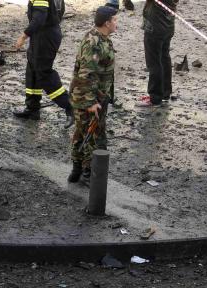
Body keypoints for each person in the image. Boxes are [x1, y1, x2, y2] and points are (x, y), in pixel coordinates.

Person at [68, 5, 117, 185]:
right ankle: (88, 175)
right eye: (115, 20)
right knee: (94, 137)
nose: (116, 23)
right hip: (87, 97)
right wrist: (90, 102)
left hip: (96, 96)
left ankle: (77, 171)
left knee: (82, 133)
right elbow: (86, 73)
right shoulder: (94, 43)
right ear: (106, 23)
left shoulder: (101, 39)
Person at [12, 0, 74, 126]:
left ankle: (70, 106)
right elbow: (59, 11)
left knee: (43, 73)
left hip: (46, 37)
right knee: (32, 70)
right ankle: (32, 109)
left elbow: (39, 18)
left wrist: (23, 36)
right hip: (40, 34)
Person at [137, 0, 178, 108]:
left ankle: (155, 98)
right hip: (168, 25)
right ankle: (165, 92)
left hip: (155, 26)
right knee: (164, 58)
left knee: (154, 62)